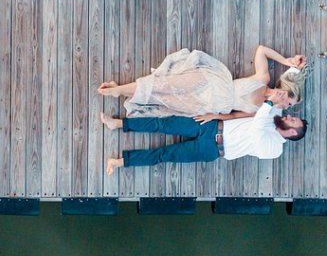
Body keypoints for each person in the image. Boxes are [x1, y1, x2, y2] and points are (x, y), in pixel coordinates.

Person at [100, 99, 307, 175]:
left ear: (290, 133)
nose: (289, 117)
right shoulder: (274, 115)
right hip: (212, 126)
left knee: (165, 155)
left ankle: (120, 162)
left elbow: (257, 130)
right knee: (164, 123)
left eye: (293, 121)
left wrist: (269, 104)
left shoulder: (274, 149)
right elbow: (245, 115)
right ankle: (117, 123)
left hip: (213, 149)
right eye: (293, 117)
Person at [97, 44, 308, 118]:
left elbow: (234, 116)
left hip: (211, 105)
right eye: (289, 97)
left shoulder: (262, 111)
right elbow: (262, 50)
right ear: (286, 89)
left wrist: (213, 116)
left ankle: (121, 90)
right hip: (213, 83)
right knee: (165, 86)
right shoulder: (264, 79)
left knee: (162, 99)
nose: (285, 101)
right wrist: (286, 60)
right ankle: (118, 91)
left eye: (288, 105)